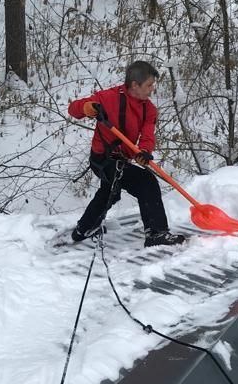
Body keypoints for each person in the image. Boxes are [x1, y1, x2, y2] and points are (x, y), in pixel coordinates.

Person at [68, 60, 186, 247]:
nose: (152, 90)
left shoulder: (149, 109)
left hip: (122, 160)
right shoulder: (108, 98)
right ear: (134, 85)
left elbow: (147, 135)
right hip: (102, 158)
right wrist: (87, 107)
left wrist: (144, 152)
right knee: (145, 182)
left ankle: (83, 230)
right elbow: (73, 109)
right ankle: (156, 233)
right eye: (149, 85)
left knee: (110, 192)